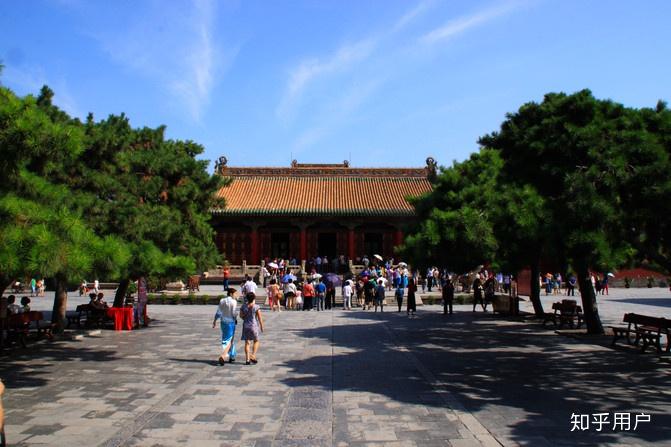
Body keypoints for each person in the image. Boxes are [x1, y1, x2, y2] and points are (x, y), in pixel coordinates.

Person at [213, 289, 238, 365]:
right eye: (235, 293)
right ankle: (223, 356)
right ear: (231, 294)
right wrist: (236, 316)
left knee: (226, 339)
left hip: (223, 322)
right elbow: (234, 313)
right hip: (230, 322)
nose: (236, 295)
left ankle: (232, 355)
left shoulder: (222, 300)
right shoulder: (234, 301)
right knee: (230, 340)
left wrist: (214, 320)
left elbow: (218, 312)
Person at [240, 293, 264, 365]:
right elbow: (260, 318)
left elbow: (241, 316)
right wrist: (262, 326)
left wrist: (245, 318)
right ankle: (253, 355)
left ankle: (247, 359)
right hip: (254, 325)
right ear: (254, 298)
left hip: (246, 325)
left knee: (247, 342)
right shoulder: (256, 307)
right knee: (256, 340)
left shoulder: (243, 306)